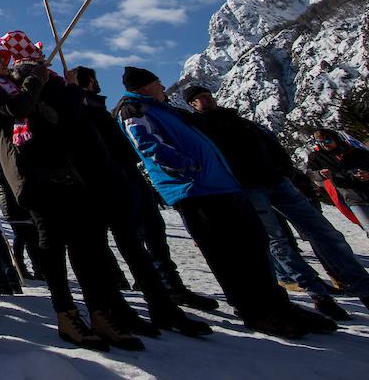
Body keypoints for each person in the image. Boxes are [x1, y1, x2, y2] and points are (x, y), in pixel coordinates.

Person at [115, 68, 336, 338]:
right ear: (146, 86)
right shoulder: (134, 109)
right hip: (195, 190)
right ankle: (254, 310)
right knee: (227, 252)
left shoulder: (163, 108)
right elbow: (146, 143)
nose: (163, 87)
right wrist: (186, 165)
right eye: (158, 83)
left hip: (221, 185)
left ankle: (278, 304)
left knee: (254, 244)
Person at [0, 28, 144, 351]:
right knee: (51, 243)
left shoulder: (17, 84)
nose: (4, 65)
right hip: (29, 174)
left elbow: (60, 116)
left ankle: (99, 312)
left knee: (86, 244)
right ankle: (65, 312)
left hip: (61, 169)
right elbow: (17, 108)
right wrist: (34, 79)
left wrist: (67, 88)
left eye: (5, 59)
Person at [183, 84, 369, 319]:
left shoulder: (238, 120)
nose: (206, 100)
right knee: (278, 242)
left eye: (208, 95)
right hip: (247, 188)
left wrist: (285, 171)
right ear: (192, 104)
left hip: (276, 181)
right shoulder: (198, 128)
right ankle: (318, 293)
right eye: (200, 98)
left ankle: (362, 286)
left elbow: (271, 144)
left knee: (324, 232)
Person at [55, 66, 212, 338]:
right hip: (100, 180)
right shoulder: (79, 105)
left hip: (122, 176)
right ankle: (120, 307)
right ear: (89, 82)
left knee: (139, 243)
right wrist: (72, 93)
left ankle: (162, 303)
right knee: (117, 246)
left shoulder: (95, 106)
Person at [307, 128, 369, 237]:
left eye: (327, 141)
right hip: (352, 198)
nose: (324, 144)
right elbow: (309, 174)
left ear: (335, 139)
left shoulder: (355, 151)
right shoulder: (316, 157)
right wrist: (320, 174)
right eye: (319, 142)